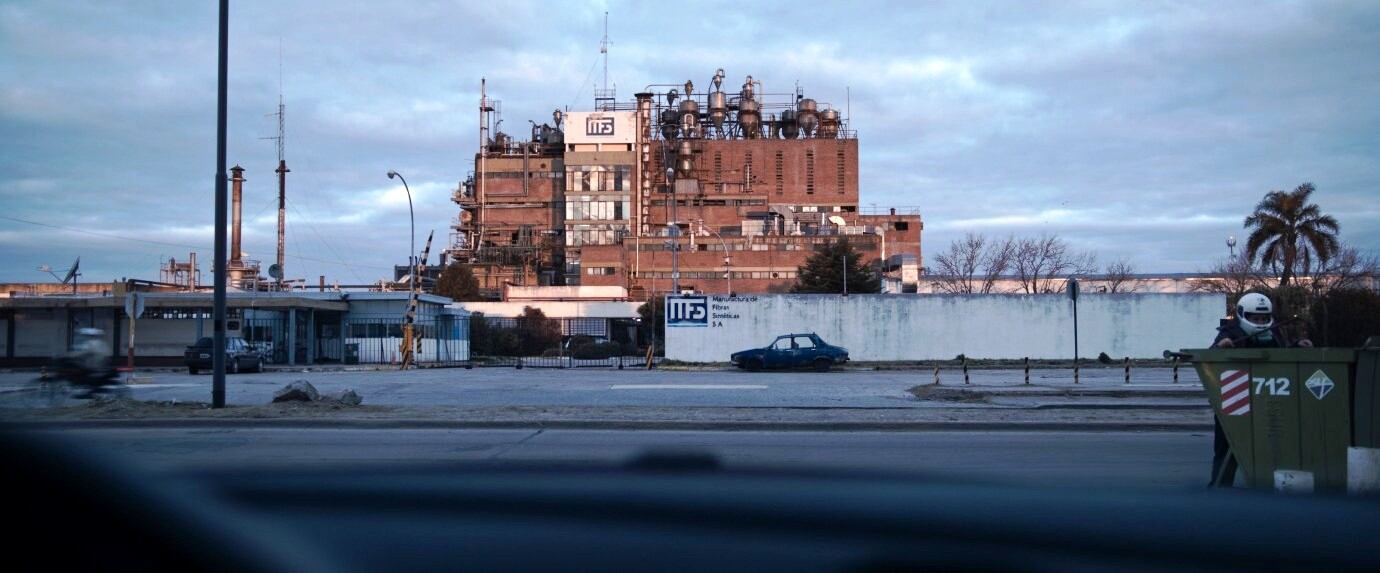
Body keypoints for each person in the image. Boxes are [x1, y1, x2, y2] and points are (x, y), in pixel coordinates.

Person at [1207, 293, 1312, 487]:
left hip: (1268, 398)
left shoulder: (1275, 333)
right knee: (1227, 446)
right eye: (1256, 318)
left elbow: (1281, 355)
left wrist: (1296, 346)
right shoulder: (1229, 332)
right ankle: (1220, 484)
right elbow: (1210, 356)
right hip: (1234, 401)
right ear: (1242, 315)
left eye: (1264, 318)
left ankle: (1267, 484)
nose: (1261, 322)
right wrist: (1220, 347)